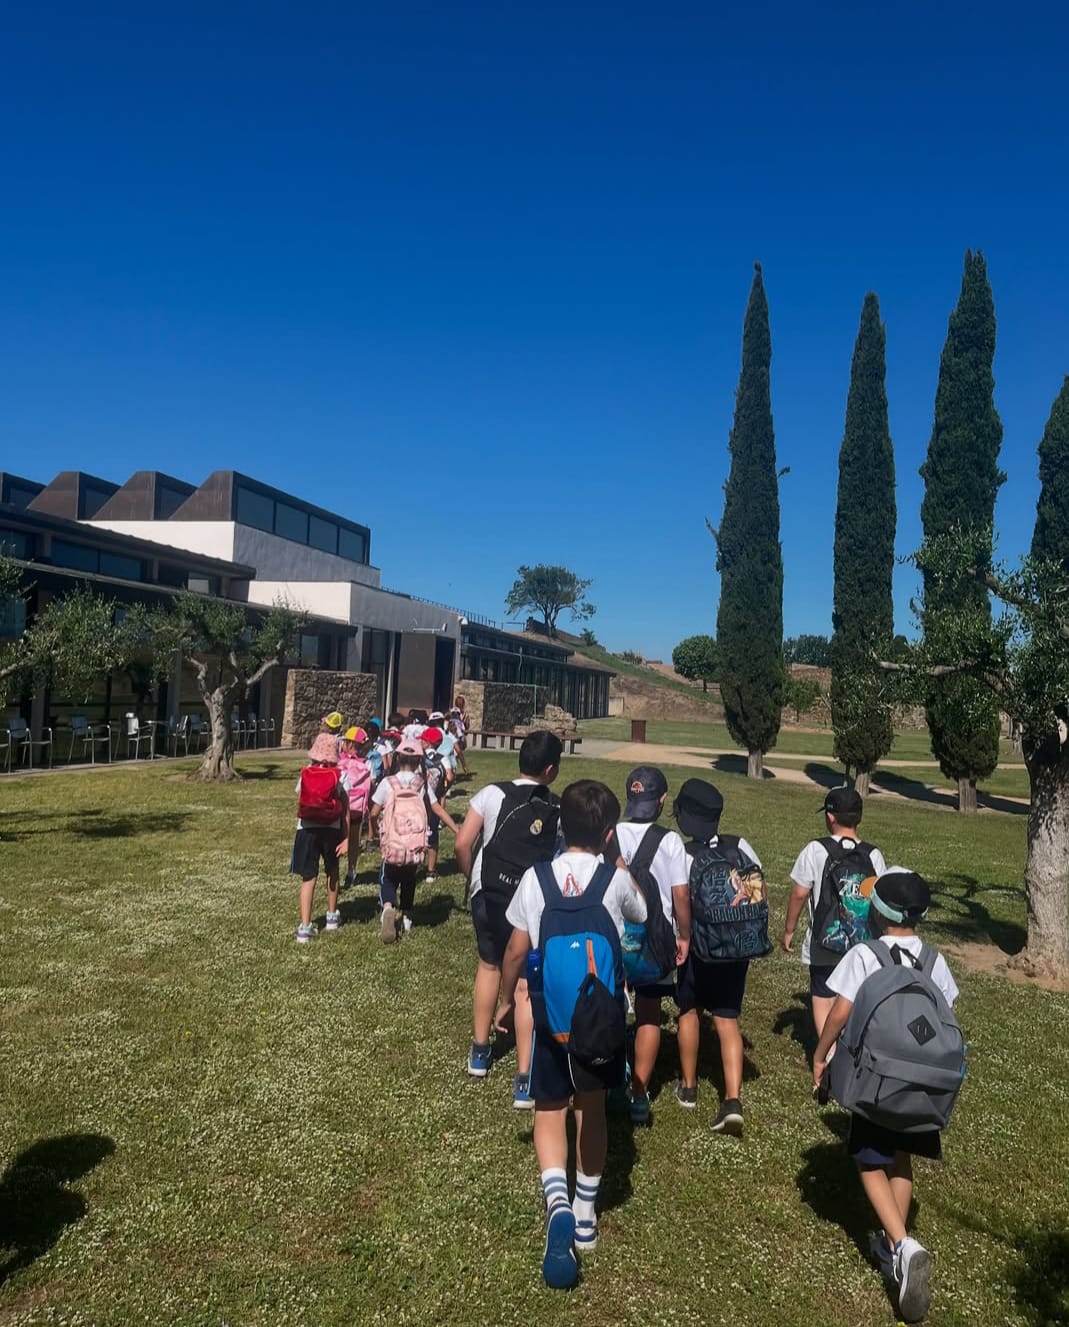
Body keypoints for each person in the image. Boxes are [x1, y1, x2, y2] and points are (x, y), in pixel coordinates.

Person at [495, 779, 647, 1289]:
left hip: (549, 1017)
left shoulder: (537, 879)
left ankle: (556, 1200)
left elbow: (516, 949)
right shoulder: (613, 880)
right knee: (592, 1108)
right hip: (600, 1018)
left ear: (561, 827)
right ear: (608, 834)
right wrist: (618, 864)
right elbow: (642, 915)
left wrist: (506, 997)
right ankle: (585, 1211)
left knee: (550, 1108)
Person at [813, 871, 959, 1323]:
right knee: (902, 1157)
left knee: (869, 1160)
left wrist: (820, 1054)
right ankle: (891, 1243)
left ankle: (902, 1244)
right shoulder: (935, 960)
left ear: (877, 912)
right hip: (922, 1082)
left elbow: (840, 1011)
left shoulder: (865, 953)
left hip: (877, 1077)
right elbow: (945, 1012)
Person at [455, 730, 562, 1104]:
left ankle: (480, 1051)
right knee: (524, 985)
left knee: (489, 965)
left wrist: (472, 877)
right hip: (530, 902)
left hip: (488, 893)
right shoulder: (557, 809)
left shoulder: (491, 793)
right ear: (550, 770)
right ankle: (524, 1077)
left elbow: (462, 842)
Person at [671, 778, 764, 1135]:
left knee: (689, 1011)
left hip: (698, 947)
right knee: (727, 1019)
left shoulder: (682, 853)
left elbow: (676, 901)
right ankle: (732, 1098)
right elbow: (757, 890)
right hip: (736, 947)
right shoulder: (740, 846)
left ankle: (689, 1086)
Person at [612, 766, 690, 1125]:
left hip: (615, 935)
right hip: (655, 940)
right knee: (649, 1013)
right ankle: (640, 1094)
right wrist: (684, 935)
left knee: (611, 1008)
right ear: (662, 800)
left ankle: (610, 1081)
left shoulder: (613, 833)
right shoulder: (670, 841)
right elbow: (680, 895)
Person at [782, 787, 887, 1043]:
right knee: (853, 994)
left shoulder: (816, 849)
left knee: (822, 993)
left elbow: (799, 893)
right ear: (859, 817)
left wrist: (789, 930)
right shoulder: (873, 854)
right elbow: (880, 899)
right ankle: (849, 1047)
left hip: (825, 938)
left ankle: (827, 1052)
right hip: (862, 941)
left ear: (830, 817)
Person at [368, 738, 440, 941]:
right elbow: (435, 807)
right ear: (419, 761)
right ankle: (407, 916)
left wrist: (375, 827)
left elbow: (374, 812)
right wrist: (455, 828)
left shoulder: (388, 783)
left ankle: (388, 907)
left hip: (393, 842)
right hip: (414, 844)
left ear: (397, 758)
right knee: (409, 880)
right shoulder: (421, 784)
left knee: (388, 878)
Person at [291, 733, 350, 943]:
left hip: (306, 829)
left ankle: (305, 927)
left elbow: (300, 796)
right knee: (332, 871)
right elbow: (346, 810)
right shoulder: (339, 776)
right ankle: (332, 917)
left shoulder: (306, 773)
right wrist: (346, 838)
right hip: (331, 829)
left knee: (308, 877)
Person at [419, 728, 459, 882]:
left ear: (427, 742)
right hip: (433, 801)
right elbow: (450, 776)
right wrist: (444, 790)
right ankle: (431, 870)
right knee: (432, 834)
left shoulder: (418, 756)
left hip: (417, 802)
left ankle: (416, 862)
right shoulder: (442, 758)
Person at [338, 726, 371, 886]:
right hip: (357, 808)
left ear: (350, 744)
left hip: (340, 808)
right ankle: (351, 871)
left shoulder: (339, 762)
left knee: (338, 839)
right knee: (354, 840)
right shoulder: (367, 763)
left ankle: (334, 871)